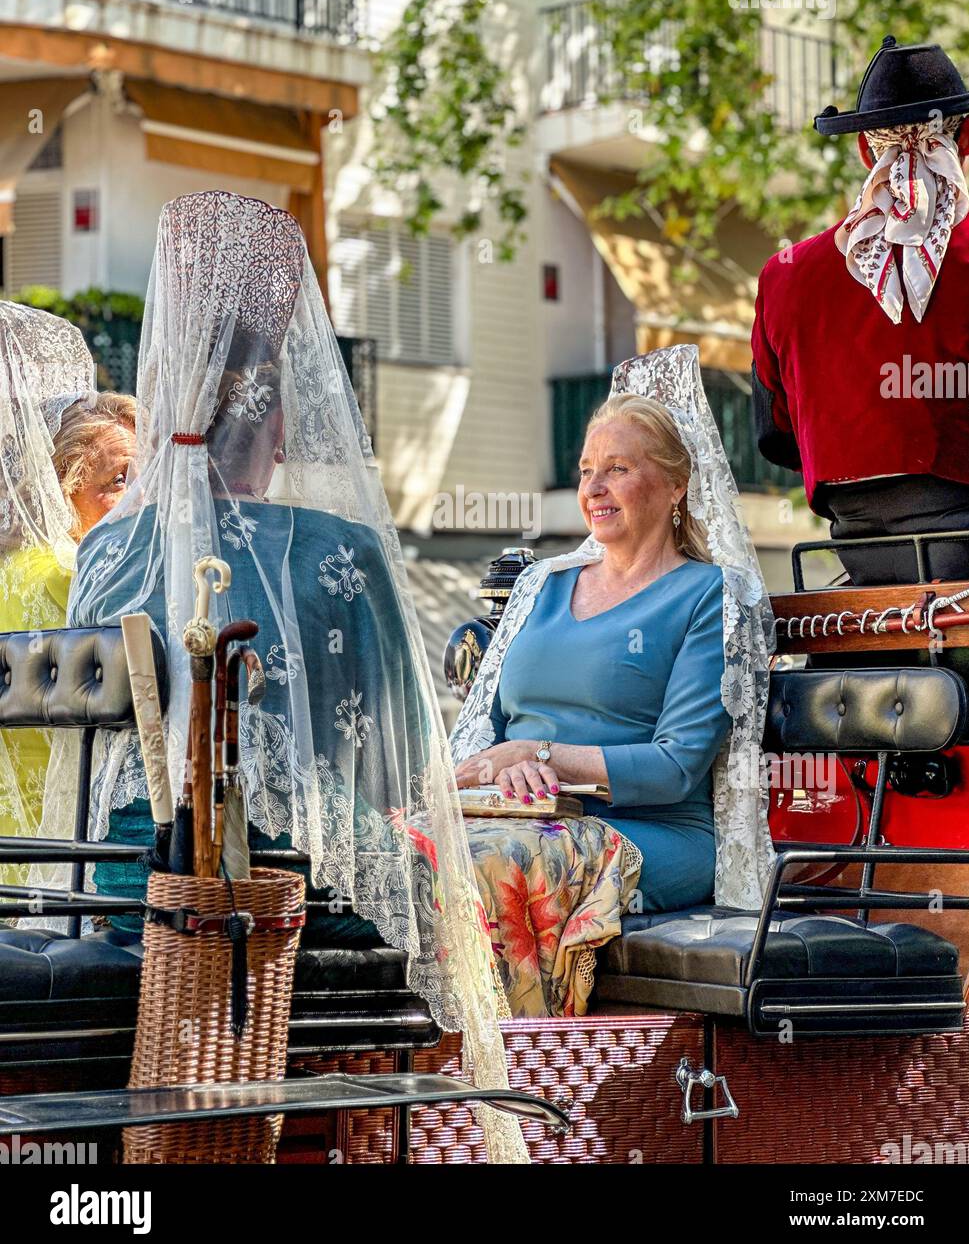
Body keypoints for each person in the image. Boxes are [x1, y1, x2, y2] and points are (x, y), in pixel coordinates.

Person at [51, 189, 526, 1164]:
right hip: (254, 904)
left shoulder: (104, 552)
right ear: (276, 428)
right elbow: (396, 772)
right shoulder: (336, 553)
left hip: (111, 888)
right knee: (479, 888)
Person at [452, 344, 775, 1013]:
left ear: (675, 485)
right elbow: (486, 728)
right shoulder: (541, 585)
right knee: (395, 848)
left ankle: (515, 1081)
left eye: (618, 470)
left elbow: (674, 767)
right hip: (519, 815)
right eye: (587, 471)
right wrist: (492, 770)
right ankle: (406, 1070)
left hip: (649, 832)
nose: (593, 489)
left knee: (492, 869)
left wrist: (538, 757)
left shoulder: (711, 595)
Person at [751, 35, 969, 585]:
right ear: (966, 138)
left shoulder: (784, 274)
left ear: (863, 150)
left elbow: (776, 435)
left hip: (858, 555)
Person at [0, 301, 135, 858]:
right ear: (60, 485)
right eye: (119, 481)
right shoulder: (75, 575)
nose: (137, 501)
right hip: (65, 861)